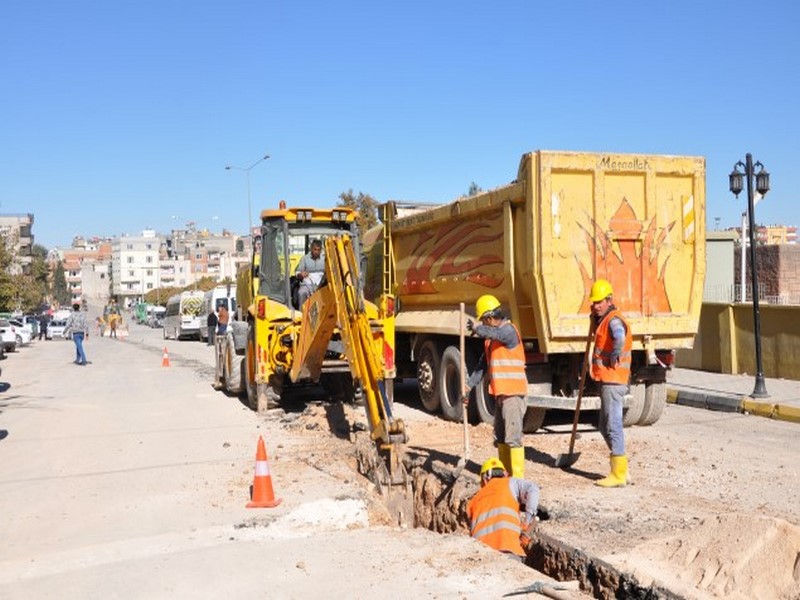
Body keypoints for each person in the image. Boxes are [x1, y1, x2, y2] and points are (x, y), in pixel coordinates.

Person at [462, 295, 528, 479]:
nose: (483, 324)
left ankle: (517, 480)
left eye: (483, 320)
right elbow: (483, 367)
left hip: (513, 395)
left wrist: (477, 328)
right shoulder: (491, 342)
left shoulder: (508, 332)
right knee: (500, 438)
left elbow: (496, 333)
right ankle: (506, 476)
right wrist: (468, 386)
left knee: (513, 439)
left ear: (490, 318)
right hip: (501, 396)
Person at [588, 279, 632, 488]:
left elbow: (620, 337)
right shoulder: (603, 318)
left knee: (612, 425)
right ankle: (621, 467)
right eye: (594, 302)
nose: (596, 305)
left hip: (614, 380)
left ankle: (619, 474)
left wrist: (615, 354)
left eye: (600, 302)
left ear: (609, 300)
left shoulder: (613, 320)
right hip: (607, 379)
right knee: (604, 426)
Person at [466, 457, 540, 560]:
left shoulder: (473, 501)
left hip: (481, 557)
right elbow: (533, 490)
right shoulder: (510, 483)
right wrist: (527, 522)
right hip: (509, 551)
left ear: (484, 479)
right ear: (505, 473)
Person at [295, 239, 325, 306]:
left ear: (321, 250)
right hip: (307, 285)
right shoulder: (305, 258)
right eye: (315, 249)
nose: (316, 252)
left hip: (321, 285)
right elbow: (297, 272)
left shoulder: (325, 259)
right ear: (311, 248)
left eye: (318, 250)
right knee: (301, 293)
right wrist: (301, 274)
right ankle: (302, 314)